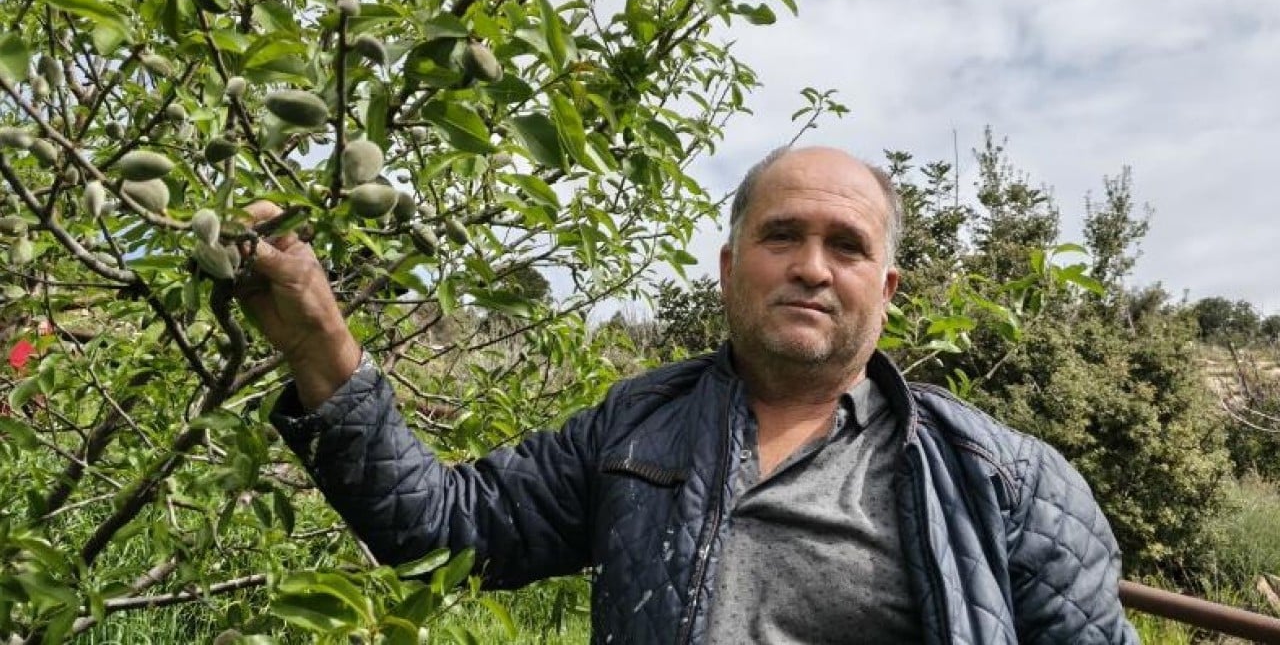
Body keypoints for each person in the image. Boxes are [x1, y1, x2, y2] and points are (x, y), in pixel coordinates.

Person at [240, 146, 1137, 644]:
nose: (813, 268)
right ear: (729, 269)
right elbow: (445, 529)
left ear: (888, 289)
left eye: (847, 246)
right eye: (781, 235)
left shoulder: (1006, 482)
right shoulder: (636, 427)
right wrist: (323, 345)